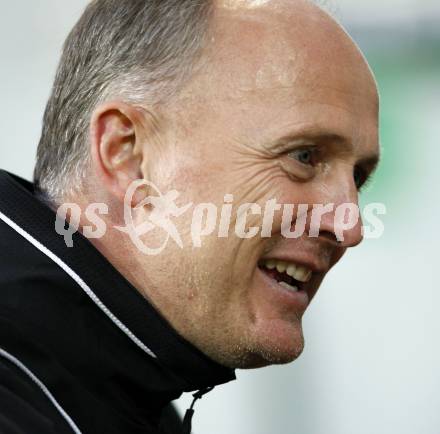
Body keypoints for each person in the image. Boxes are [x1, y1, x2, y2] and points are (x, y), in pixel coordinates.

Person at [0, 0, 380, 433]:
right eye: (304, 156)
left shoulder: (119, 389)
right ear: (128, 154)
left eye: (359, 177)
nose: (349, 227)